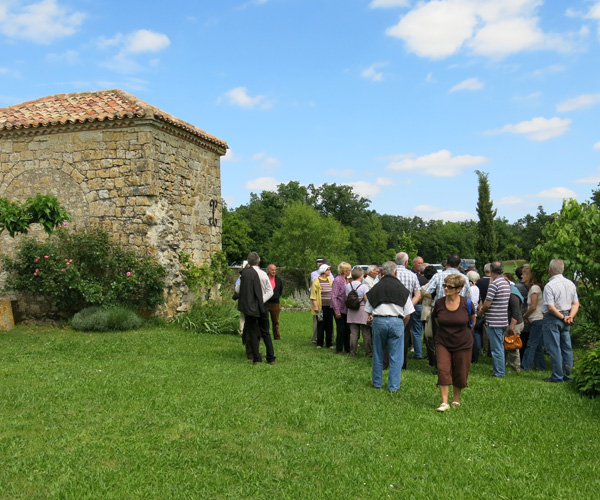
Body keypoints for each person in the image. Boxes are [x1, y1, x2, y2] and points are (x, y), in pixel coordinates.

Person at [365, 261, 414, 393]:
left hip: (379, 321)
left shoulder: (375, 288)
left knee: (378, 353)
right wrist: (401, 326)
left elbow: (368, 309)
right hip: (396, 321)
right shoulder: (402, 289)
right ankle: (393, 386)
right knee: (396, 356)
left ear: (381, 272)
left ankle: (376, 382)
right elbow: (408, 313)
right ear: (395, 272)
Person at [432, 274, 476, 412]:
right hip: (443, 341)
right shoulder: (439, 303)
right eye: (445, 285)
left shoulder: (467, 303)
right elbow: (436, 319)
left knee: (460, 371)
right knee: (443, 369)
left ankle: (456, 399)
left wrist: (465, 332)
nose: (446, 288)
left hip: (463, 342)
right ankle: (444, 402)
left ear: (459, 289)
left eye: (450, 287)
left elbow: (472, 320)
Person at [541, 259, 579, 383]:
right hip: (567, 315)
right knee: (566, 347)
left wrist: (562, 317)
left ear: (550, 270)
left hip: (553, 318)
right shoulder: (570, 284)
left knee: (554, 347)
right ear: (563, 270)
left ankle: (557, 376)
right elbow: (575, 303)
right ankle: (568, 374)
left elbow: (550, 307)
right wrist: (570, 317)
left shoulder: (549, 286)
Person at [236, 252, 275, 365]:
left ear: (249, 262)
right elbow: (270, 291)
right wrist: (261, 300)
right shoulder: (263, 274)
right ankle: (271, 357)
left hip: (249, 306)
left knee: (252, 333)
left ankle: (256, 358)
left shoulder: (244, 275)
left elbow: (238, 290)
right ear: (259, 261)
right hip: (261, 306)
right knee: (266, 332)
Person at [480, 262, 511, 377]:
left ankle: (499, 372)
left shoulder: (494, 284)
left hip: (494, 320)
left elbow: (488, 303)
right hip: (503, 319)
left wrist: (482, 309)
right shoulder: (506, 282)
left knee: (496, 348)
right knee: (499, 346)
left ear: (491, 270)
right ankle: (497, 368)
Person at [395, 252, 422, 364]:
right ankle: (402, 362)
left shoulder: (391, 273)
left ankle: (388, 361)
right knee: (405, 335)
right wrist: (409, 307)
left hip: (391, 308)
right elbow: (418, 295)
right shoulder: (412, 275)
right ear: (406, 263)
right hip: (406, 310)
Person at [521, 264, 546, 371]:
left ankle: (525, 366)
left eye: (524, 274)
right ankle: (541, 366)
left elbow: (533, 306)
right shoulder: (534, 288)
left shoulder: (534, 288)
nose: (522, 276)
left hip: (537, 319)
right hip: (537, 319)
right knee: (538, 346)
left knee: (531, 344)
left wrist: (525, 315)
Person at [346, 266, 372, 357]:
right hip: (362, 310)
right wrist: (370, 312)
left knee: (353, 333)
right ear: (361, 276)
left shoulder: (348, 286)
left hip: (352, 310)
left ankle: (352, 352)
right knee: (366, 332)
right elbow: (366, 299)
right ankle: (368, 352)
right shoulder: (364, 286)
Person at [310, 264, 334, 349]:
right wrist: (316, 306)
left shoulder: (329, 280)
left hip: (330, 306)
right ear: (323, 271)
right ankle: (319, 343)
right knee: (321, 324)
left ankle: (329, 343)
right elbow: (313, 295)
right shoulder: (316, 281)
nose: (329, 271)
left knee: (329, 324)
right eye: (328, 270)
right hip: (321, 307)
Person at [505, 272, 525, 373]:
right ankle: (504, 364)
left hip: (515, 323)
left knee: (513, 345)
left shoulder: (513, 295)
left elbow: (516, 313)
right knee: (506, 345)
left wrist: (511, 328)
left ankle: (515, 368)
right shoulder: (510, 291)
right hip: (510, 322)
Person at [332, 262, 352, 354]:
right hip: (339, 308)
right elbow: (334, 296)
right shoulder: (337, 280)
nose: (350, 272)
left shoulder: (347, 280)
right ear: (344, 271)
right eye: (348, 270)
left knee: (347, 329)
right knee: (341, 328)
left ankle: (347, 347)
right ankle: (339, 349)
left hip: (346, 308)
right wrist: (337, 311)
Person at [310, 257, 327, 344]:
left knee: (328, 321)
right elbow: (316, 286)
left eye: (321, 262)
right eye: (318, 262)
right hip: (319, 303)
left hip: (327, 303)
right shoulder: (314, 274)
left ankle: (329, 338)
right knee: (319, 320)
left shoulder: (330, 274)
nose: (319, 264)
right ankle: (316, 338)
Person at [265, 264, 283, 340]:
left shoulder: (278, 280)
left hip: (275, 303)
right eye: (272, 270)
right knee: (264, 320)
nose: (274, 271)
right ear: (268, 270)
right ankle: (264, 336)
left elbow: (280, 291)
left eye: (275, 270)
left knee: (275, 321)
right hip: (265, 303)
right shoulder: (264, 278)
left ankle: (276, 336)